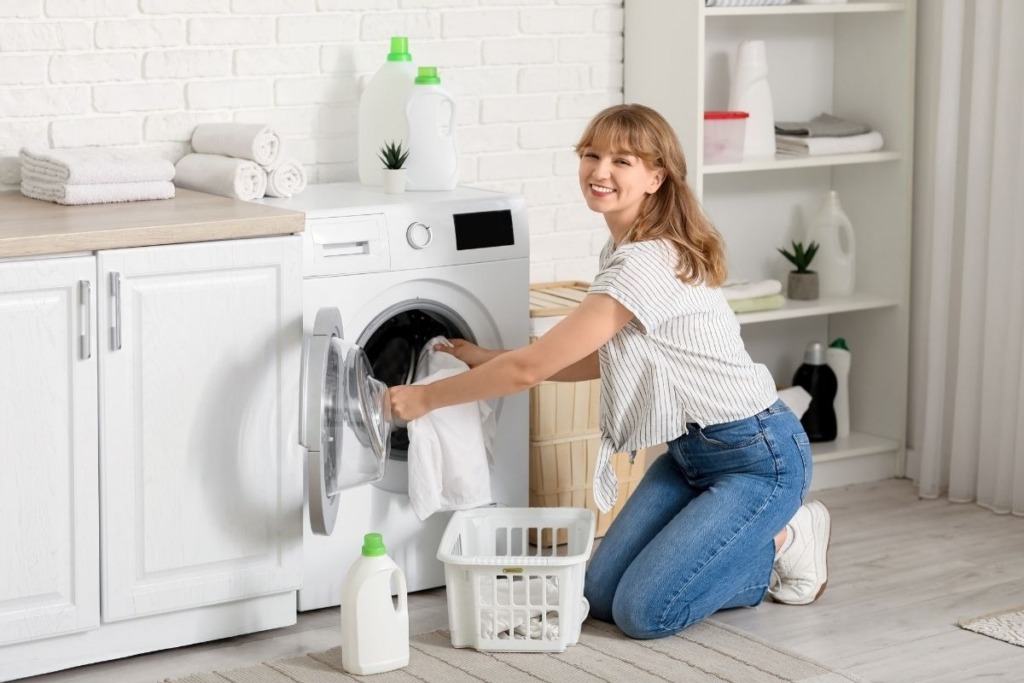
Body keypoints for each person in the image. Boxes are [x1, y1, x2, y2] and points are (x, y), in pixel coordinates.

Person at [389, 103, 832, 639]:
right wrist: (488, 360)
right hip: (690, 455)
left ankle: (786, 539)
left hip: (757, 458)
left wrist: (425, 399)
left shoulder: (646, 261)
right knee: (598, 597)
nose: (600, 172)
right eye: (591, 155)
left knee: (646, 614)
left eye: (622, 160)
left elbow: (531, 370)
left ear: (655, 176)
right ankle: (731, 544)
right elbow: (602, 357)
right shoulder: (621, 248)